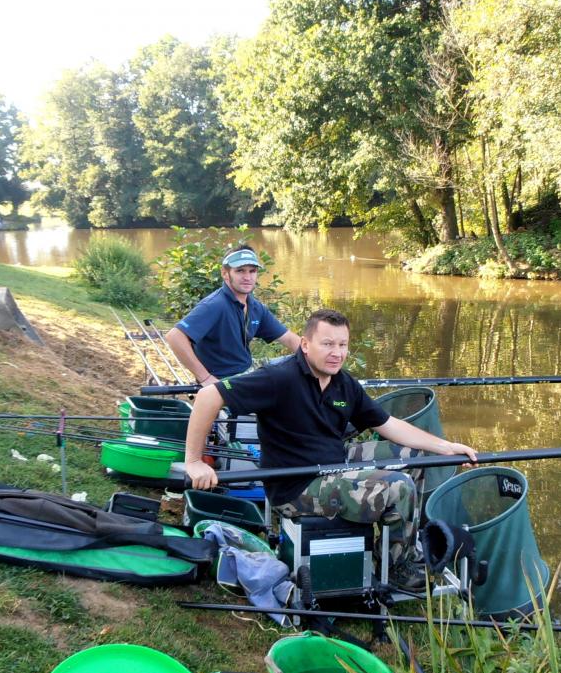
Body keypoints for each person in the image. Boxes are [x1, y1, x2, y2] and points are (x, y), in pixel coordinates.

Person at [183, 307, 477, 589]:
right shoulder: (279, 378)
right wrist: (195, 461)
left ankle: (392, 547)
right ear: (305, 345)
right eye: (327, 344)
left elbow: (388, 424)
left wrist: (445, 446)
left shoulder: (344, 383)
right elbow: (209, 396)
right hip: (296, 487)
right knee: (397, 487)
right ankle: (398, 566)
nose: (337, 353)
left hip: (333, 464)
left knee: (413, 457)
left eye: (342, 344)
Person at [164, 246, 301, 385]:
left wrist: (317, 358)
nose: (247, 277)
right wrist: (205, 378)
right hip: (227, 381)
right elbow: (174, 336)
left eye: (252, 271)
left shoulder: (254, 306)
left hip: (249, 369)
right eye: (240, 271)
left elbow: (289, 339)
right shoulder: (215, 304)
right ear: (225, 273)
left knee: (302, 362)